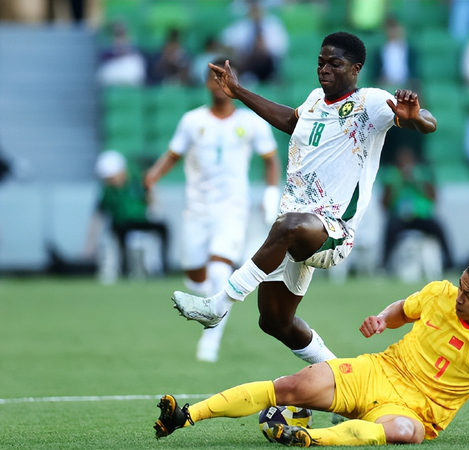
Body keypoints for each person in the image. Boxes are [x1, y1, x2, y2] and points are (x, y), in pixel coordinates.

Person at [171, 31, 437, 366]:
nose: (324, 69)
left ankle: (218, 305)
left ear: (355, 69)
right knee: (274, 321)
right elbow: (290, 120)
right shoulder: (314, 100)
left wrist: (416, 118)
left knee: (289, 225)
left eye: (335, 64)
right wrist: (238, 92)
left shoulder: (370, 102)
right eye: (321, 62)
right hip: (296, 227)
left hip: (332, 231)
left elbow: (429, 122)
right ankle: (342, 377)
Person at [153, 258, 469, 446]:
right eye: (461, 286)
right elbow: (403, 309)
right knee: (291, 387)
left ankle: (309, 438)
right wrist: (382, 319)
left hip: (418, 411)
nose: (459, 297)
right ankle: (186, 416)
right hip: (378, 372)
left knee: (407, 434)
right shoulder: (440, 294)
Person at [144, 57, 282, 363]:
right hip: (196, 210)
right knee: (195, 276)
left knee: (220, 269)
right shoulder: (192, 121)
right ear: (206, 84)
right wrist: (153, 176)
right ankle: (211, 301)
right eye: (214, 79)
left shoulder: (251, 122)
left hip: (232, 208)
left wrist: (271, 195)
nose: (219, 85)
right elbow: (173, 154)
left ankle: (210, 341)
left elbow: (271, 159)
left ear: (235, 82)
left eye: (225, 78)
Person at [84, 150, 169, 279]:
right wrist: (89, 246)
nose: (110, 181)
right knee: (120, 232)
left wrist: (151, 194)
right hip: (122, 225)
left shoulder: (137, 181)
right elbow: (100, 215)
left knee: (163, 228)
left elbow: (152, 202)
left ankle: (163, 267)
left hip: (141, 221)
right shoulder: (108, 192)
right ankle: (125, 269)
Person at [380, 146, 453, 272]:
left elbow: (434, 197)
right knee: (390, 229)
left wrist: (417, 182)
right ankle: (384, 264)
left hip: (421, 216)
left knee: (438, 228)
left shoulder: (422, 174)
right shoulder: (393, 175)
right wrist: (398, 183)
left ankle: (449, 262)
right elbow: (385, 202)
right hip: (401, 217)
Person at [220, 0, 288, 84]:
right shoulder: (240, 26)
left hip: (267, 64)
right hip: (245, 63)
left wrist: (262, 48)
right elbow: (225, 43)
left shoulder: (274, 24)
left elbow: (280, 49)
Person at [370, 16, 420, 92]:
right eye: (390, 29)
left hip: (407, 87)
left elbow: (415, 73)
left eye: (395, 28)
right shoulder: (378, 52)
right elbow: (374, 75)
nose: (393, 32)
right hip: (385, 87)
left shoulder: (411, 51)